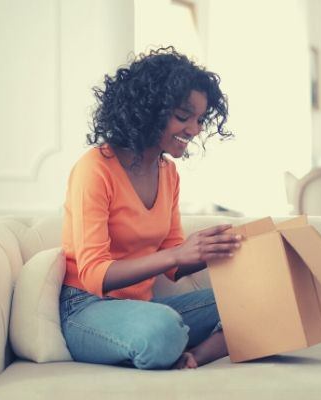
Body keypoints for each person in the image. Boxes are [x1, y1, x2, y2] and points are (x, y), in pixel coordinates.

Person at [59, 47, 240, 370]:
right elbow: (94, 274)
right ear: (149, 110)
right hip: (86, 309)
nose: (195, 129)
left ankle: (194, 357)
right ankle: (166, 342)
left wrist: (212, 250)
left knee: (251, 297)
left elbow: (172, 260)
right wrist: (177, 254)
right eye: (183, 117)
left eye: (199, 119)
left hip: (143, 308)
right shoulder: (95, 169)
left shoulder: (168, 173)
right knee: (162, 328)